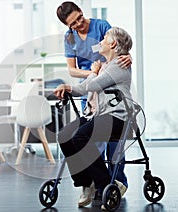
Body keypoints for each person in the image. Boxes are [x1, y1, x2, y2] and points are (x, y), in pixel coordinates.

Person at [56, 1, 130, 207]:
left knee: (109, 143)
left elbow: (119, 43)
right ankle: (88, 182)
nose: (79, 24)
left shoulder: (101, 27)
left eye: (79, 17)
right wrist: (89, 76)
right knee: (75, 137)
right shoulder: (70, 38)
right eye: (73, 23)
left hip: (107, 89)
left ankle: (114, 183)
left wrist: (126, 57)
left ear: (82, 12)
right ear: (68, 26)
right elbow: (73, 71)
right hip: (93, 85)